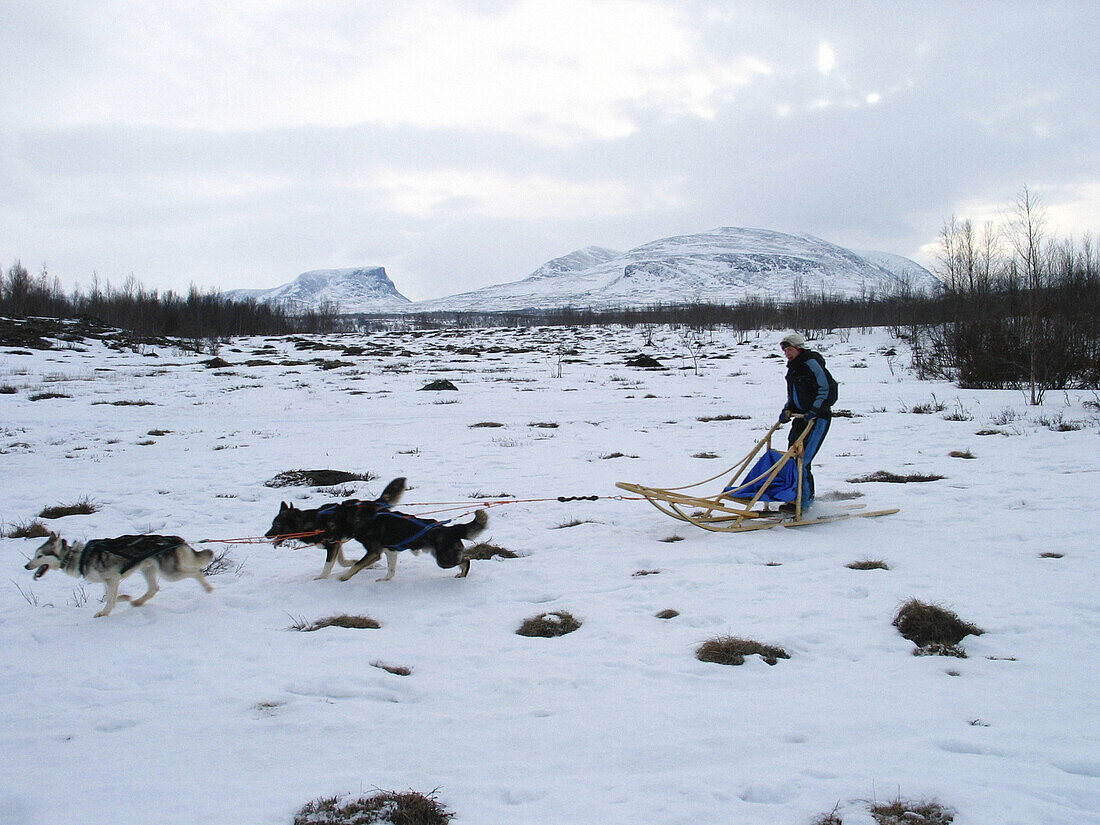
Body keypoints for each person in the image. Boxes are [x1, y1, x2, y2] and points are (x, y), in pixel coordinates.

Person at [777, 332, 836, 512]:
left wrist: (815, 410)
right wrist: (787, 409)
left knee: (803, 459)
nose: (787, 353)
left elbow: (827, 388)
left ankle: (804, 502)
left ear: (799, 348)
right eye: (785, 350)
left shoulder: (811, 362)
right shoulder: (793, 367)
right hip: (801, 418)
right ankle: (793, 497)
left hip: (817, 419)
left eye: (790, 349)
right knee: (791, 457)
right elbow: (793, 394)